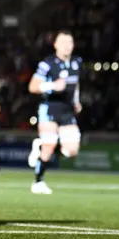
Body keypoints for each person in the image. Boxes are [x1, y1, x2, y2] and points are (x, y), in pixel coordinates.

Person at [27, 30, 82, 195]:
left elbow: (76, 84)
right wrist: (52, 86)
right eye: (63, 42)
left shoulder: (77, 62)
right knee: (49, 147)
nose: (67, 46)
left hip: (67, 110)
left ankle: (40, 145)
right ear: (56, 45)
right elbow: (32, 87)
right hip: (49, 108)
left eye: (70, 42)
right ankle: (38, 182)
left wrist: (77, 101)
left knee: (72, 151)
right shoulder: (47, 64)